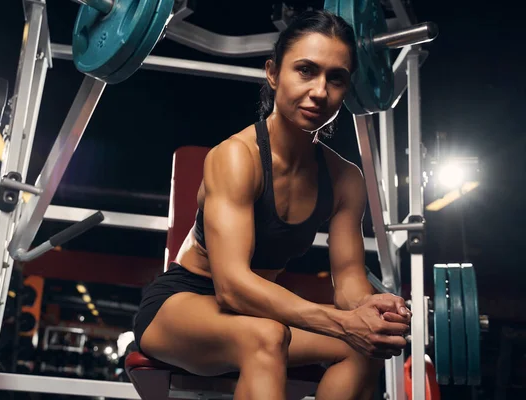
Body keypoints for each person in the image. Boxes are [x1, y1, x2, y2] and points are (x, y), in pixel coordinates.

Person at [133, 9, 411, 400]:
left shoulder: (346, 178)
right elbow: (232, 288)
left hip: (257, 312)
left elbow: (348, 278)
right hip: (184, 305)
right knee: (266, 336)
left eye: (336, 78)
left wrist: (367, 311)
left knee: (362, 349)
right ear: (273, 73)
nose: (319, 91)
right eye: (306, 71)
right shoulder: (236, 157)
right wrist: (340, 322)